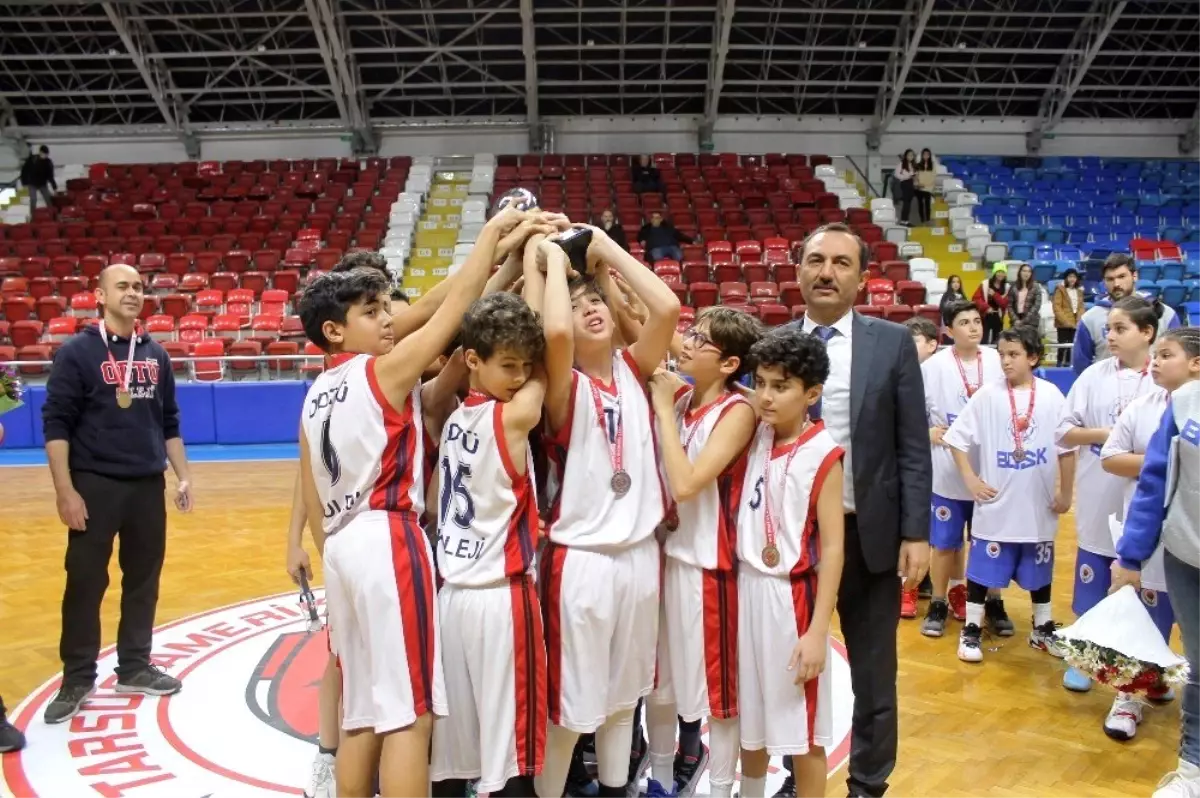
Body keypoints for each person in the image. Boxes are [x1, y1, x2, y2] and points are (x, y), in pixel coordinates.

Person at [296, 208, 546, 798]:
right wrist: (490, 236)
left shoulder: (315, 396)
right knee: (412, 713)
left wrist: (505, 267)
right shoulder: (378, 373)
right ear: (335, 330)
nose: (389, 321)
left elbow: (451, 355)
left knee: (363, 711)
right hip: (387, 537)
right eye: (373, 312)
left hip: (341, 547)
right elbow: (449, 314)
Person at [782, 221, 931, 798]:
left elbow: (913, 445)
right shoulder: (776, 344)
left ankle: (868, 784)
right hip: (793, 543)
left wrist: (916, 532)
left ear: (863, 279)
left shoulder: (890, 344)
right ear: (798, 270)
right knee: (790, 667)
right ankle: (800, 776)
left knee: (874, 675)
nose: (826, 272)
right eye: (816, 259)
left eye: (841, 263)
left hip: (868, 536)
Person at [535, 223, 680, 798]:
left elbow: (665, 306)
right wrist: (549, 258)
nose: (590, 309)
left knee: (625, 702)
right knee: (572, 709)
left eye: (595, 300)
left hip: (641, 556)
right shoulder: (559, 384)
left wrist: (602, 248)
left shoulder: (633, 368)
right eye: (577, 305)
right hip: (583, 561)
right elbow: (550, 330)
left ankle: (617, 790)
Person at [40, 263, 193, 725]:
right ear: (100, 295)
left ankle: (134, 666)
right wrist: (66, 491)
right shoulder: (77, 353)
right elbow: (56, 426)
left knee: (143, 582)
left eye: (138, 287)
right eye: (122, 286)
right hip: (94, 486)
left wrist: (182, 476)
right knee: (85, 585)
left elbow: (169, 423)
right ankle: (77, 676)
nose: (132, 293)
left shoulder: (156, 356)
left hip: (147, 485)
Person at [429, 289, 548, 798]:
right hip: (502, 598)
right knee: (512, 750)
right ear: (474, 361)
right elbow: (548, 373)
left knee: (454, 747)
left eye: (524, 365)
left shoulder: (454, 420)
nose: (520, 375)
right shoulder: (513, 418)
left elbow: (437, 499)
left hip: (452, 595)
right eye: (509, 365)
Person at [644, 307, 763, 798]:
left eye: (700, 339)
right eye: (689, 334)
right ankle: (661, 780)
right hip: (669, 556)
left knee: (720, 694)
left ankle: (718, 788)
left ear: (730, 364)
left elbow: (689, 483)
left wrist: (663, 409)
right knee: (661, 684)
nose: (685, 343)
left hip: (711, 567)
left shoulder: (739, 411)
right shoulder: (687, 395)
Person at [730, 327, 845, 798]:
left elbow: (834, 548)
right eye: (760, 383)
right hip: (745, 588)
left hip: (790, 599)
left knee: (803, 733)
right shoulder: (753, 428)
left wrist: (819, 631)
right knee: (750, 722)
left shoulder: (825, 454)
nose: (765, 396)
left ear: (812, 393)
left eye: (780, 386)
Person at [943, 324, 1074, 663]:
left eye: (1014, 355)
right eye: (1001, 354)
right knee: (982, 571)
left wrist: (1067, 493)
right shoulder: (987, 395)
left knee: (1039, 571)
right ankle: (972, 628)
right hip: (997, 504)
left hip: (1037, 503)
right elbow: (956, 439)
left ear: (1032, 357)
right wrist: (970, 479)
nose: (1005, 361)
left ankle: (1042, 628)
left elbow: (1066, 448)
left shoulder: (1051, 395)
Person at [1109, 327, 1200, 798]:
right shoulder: (1183, 407)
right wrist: (1129, 555)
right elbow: (1154, 484)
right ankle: (1191, 771)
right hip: (1188, 556)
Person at [1057, 296, 1165, 693]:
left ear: (1147, 333)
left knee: (1148, 586)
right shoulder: (1093, 376)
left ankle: (1146, 668)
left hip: (1147, 498)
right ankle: (1085, 656)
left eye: (1120, 329)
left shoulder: (1165, 379)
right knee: (1094, 576)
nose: (1111, 337)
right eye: (1109, 330)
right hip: (1099, 490)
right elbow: (1063, 432)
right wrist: (1107, 436)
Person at [1099, 331, 1184, 742]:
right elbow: (1111, 457)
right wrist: (1162, 463)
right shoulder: (1142, 408)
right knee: (1144, 621)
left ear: (1197, 363)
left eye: (1167, 355)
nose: (1155, 361)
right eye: (1156, 354)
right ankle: (1129, 695)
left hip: (1193, 542)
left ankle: (1173, 689)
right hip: (1149, 538)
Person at [920, 300, 1010, 639]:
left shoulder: (997, 361)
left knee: (991, 542)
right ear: (947, 330)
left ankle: (993, 602)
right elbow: (913, 410)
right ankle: (939, 603)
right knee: (944, 544)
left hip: (989, 469)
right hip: (946, 470)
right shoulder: (933, 366)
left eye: (977, 320)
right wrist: (925, 432)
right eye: (965, 322)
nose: (974, 327)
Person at [1073, 253, 1182, 375]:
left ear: (1134, 276)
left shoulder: (1165, 314)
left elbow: (1176, 355)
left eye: (1121, 276)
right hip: (1109, 389)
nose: (1116, 284)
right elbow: (1080, 363)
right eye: (1110, 279)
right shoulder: (1090, 318)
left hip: (1154, 387)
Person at [1053, 268, 1085, 368]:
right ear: (1066, 278)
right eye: (1070, 276)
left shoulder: (1079, 291)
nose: (1072, 279)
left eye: (1074, 277)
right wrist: (1066, 322)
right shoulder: (1060, 290)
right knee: (1062, 346)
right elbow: (1057, 307)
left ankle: (1068, 365)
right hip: (1063, 324)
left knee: (1072, 346)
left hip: (1075, 322)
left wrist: (1079, 320)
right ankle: (1059, 365)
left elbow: (1081, 307)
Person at [973, 271, 1008, 346]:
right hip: (985, 316)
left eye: (1003, 272)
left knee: (997, 341)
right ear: (994, 273)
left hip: (998, 317)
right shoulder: (985, 284)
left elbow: (1004, 304)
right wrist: (986, 308)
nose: (1000, 274)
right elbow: (976, 299)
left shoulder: (1007, 287)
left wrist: (994, 294)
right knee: (983, 340)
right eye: (998, 272)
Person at [1005, 263, 1042, 330]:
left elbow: (1036, 305)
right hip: (1016, 320)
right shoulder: (1013, 286)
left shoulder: (1036, 286)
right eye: (1024, 271)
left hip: (1031, 321)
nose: (1026, 273)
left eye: (1029, 271)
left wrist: (1024, 321)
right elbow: (1009, 305)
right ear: (1020, 272)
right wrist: (1015, 319)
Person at [20, 144, 56, 211]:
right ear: (40, 152)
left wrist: (54, 187)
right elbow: (24, 170)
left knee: (48, 198)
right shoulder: (33, 160)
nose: (45, 156)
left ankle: (52, 213)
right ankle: (33, 216)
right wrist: (24, 182)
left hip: (42, 183)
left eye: (46, 154)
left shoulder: (48, 162)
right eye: (44, 154)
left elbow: (50, 175)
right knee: (33, 199)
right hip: (32, 183)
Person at [892, 150, 916, 226]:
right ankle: (903, 221)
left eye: (912, 155)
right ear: (906, 156)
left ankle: (906, 220)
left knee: (909, 203)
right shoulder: (901, 164)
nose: (910, 157)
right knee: (906, 203)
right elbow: (896, 174)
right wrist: (906, 177)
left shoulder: (913, 165)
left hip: (911, 183)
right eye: (909, 155)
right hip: (904, 183)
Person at [914, 149, 936, 225]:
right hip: (919, 188)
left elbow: (933, 177)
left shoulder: (932, 165)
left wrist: (925, 184)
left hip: (928, 188)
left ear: (929, 156)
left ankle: (928, 220)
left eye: (927, 154)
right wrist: (918, 184)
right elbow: (916, 175)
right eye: (924, 154)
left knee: (927, 204)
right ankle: (922, 220)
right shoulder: (918, 165)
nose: (926, 156)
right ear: (922, 155)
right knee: (920, 204)